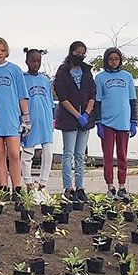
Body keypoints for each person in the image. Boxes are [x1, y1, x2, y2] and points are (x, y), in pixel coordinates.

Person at [0, 37, 29, 199]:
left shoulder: (15, 70)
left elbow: (22, 96)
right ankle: (3, 188)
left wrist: (26, 118)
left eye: (3, 50)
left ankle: (17, 188)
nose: (0, 53)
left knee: (14, 154)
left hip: (12, 119)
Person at [52, 41, 95, 200]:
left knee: (80, 155)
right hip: (69, 118)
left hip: (85, 118)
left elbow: (92, 94)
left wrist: (86, 114)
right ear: (71, 52)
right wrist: (77, 115)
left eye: (83, 53)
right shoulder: (63, 72)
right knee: (68, 153)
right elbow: (62, 97)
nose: (80, 56)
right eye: (77, 52)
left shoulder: (86, 71)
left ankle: (80, 187)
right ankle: (68, 187)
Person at [94, 46, 138, 197]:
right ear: (106, 60)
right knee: (107, 156)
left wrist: (133, 121)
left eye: (116, 59)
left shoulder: (127, 77)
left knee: (122, 155)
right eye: (111, 59)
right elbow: (97, 101)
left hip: (124, 122)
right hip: (106, 122)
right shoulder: (100, 78)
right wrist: (98, 122)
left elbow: (133, 100)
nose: (114, 62)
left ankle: (122, 185)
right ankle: (110, 186)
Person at [20, 48, 54, 195]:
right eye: (33, 61)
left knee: (48, 152)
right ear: (26, 61)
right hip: (30, 121)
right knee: (28, 152)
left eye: (38, 61)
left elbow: (51, 102)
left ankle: (43, 183)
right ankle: (28, 182)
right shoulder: (22, 79)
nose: (36, 64)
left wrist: (52, 119)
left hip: (45, 121)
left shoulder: (46, 81)